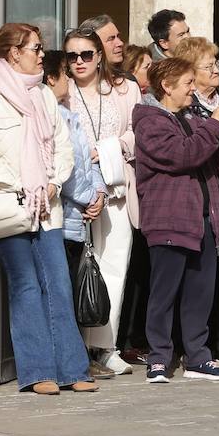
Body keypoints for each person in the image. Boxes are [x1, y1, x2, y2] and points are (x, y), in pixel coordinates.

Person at [0, 23, 96, 394]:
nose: (42, 55)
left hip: (48, 206)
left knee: (58, 283)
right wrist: (22, 185)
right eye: (36, 48)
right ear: (14, 53)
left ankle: (72, 369)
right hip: (11, 205)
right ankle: (38, 372)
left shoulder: (42, 94)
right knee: (25, 285)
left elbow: (62, 146)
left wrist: (52, 183)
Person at [133, 56, 219, 383]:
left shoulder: (194, 118)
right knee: (164, 294)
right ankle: (158, 358)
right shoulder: (149, 122)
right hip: (169, 219)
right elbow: (183, 155)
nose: (193, 89)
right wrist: (215, 125)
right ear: (167, 87)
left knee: (200, 293)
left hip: (203, 219)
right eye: (187, 83)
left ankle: (197, 357)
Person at [63, 26, 141, 375]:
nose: (79, 61)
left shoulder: (124, 89)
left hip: (116, 190)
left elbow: (138, 132)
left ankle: (106, 347)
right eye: (72, 56)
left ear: (99, 56)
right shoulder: (62, 92)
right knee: (76, 271)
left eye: (86, 54)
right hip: (75, 194)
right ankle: (77, 349)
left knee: (114, 268)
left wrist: (111, 148)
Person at [43, 50, 109, 378]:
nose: (70, 80)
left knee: (73, 288)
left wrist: (99, 193)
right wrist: (86, 197)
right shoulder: (49, 115)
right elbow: (63, 168)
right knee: (63, 292)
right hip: (63, 217)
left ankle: (79, 356)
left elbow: (89, 159)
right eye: (65, 74)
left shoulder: (71, 115)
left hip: (78, 218)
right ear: (51, 78)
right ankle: (66, 361)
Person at [172, 37, 219, 118]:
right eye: (209, 67)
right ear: (190, 72)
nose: (217, 70)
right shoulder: (186, 106)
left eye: (216, 63)